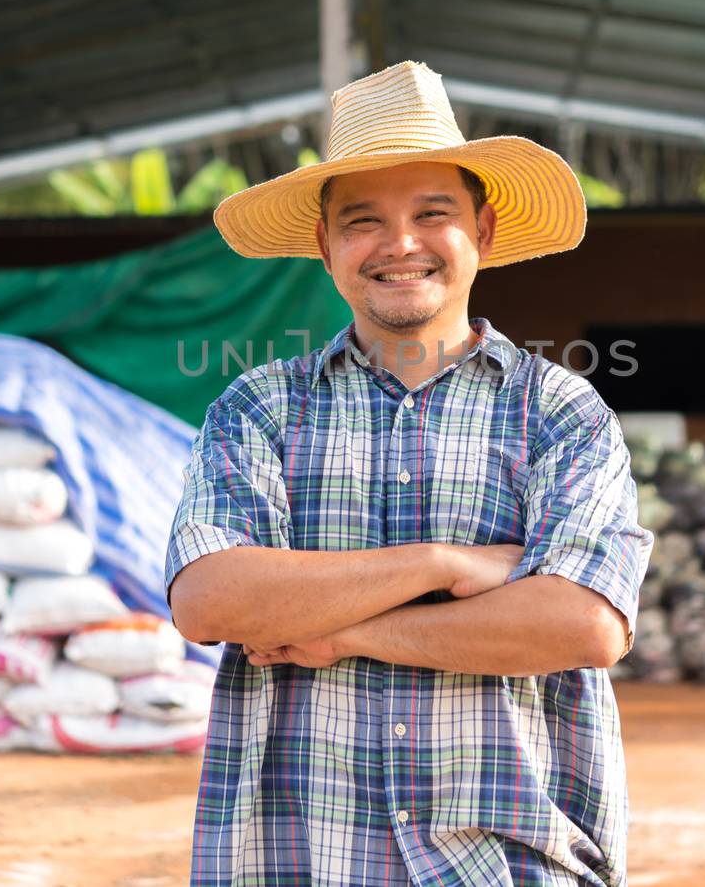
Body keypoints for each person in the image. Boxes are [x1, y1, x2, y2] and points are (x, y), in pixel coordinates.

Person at [166, 61, 651, 886]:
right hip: (301, 859)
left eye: (434, 214)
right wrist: (447, 564)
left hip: (507, 863)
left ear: (484, 234)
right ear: (325, 246)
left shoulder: (561, 413)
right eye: (363, 222)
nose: (400, 245)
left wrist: (343, 632)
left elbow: (582, 626)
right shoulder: (260, 411)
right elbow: (212, 600)